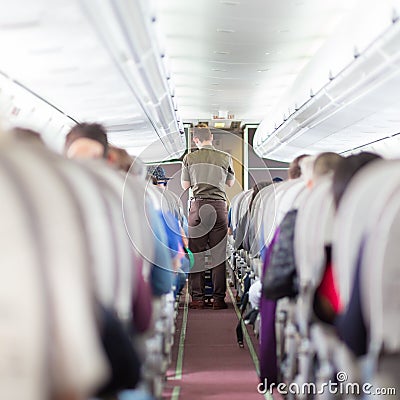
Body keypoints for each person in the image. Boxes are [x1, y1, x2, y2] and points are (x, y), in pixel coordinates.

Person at [181, 123, 235, 310]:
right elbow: (229, 183)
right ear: (211, 137)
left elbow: (185, 185)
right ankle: (218, 300)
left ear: (196, 139)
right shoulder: (226, 157)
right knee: (218, 256)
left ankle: (197, 298)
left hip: (198, 206)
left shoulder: (189, 157)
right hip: (219, 207)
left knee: (196, 254)